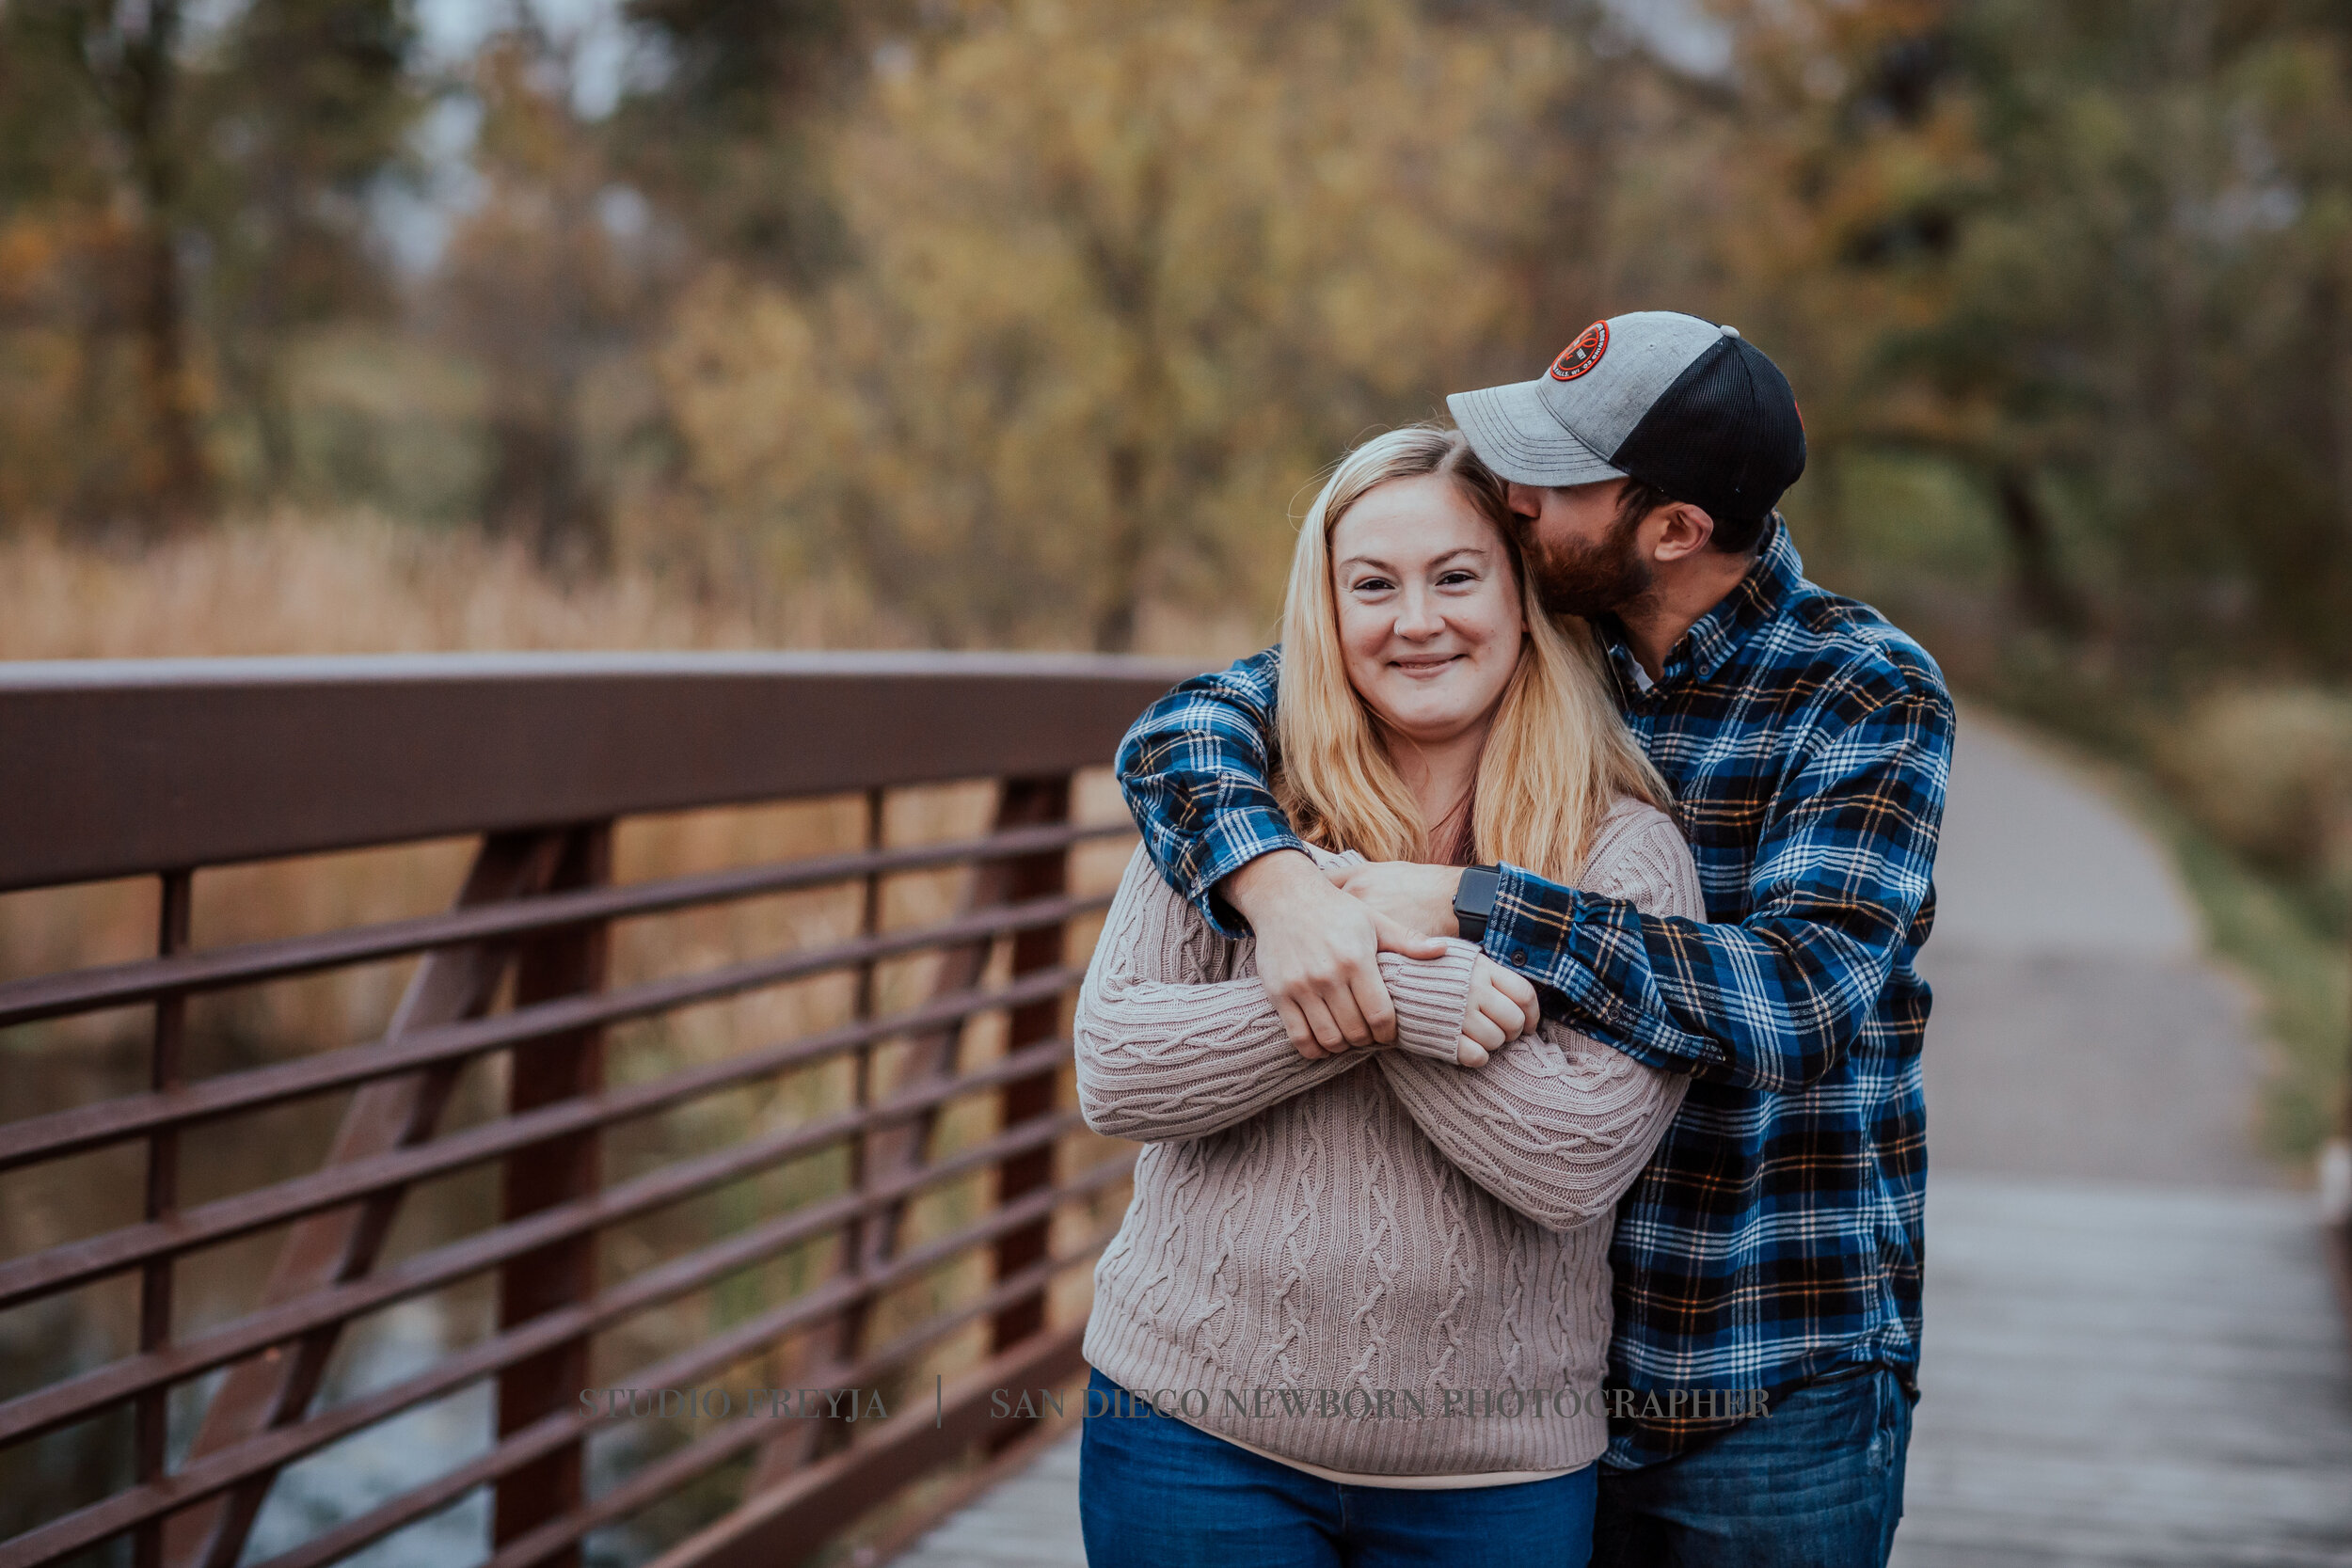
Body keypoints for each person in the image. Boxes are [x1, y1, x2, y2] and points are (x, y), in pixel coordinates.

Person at [1115, 311, 1957, 1567]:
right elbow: (1191, 729)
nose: (1514, 494)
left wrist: (1465, 902)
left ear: (1669, 530)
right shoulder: (1547, 619)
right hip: (1530, 1365)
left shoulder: (1860, 688)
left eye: (1559, 480)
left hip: (1751, 1352)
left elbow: (1798, 1001)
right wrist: (1286, 891)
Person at [1073, 424, 1707, 1568]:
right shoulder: (1238, 815)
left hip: (1493, 1474)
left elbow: (1572, 1159)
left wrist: (1344, 945)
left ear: (1522, 601)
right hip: (1190, 1429)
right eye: (1372, 584)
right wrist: (1405, 990)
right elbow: (1118, 1065)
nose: (1416, 621)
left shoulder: (1625, 849)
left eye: (1455, 577)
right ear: (1327, 612)